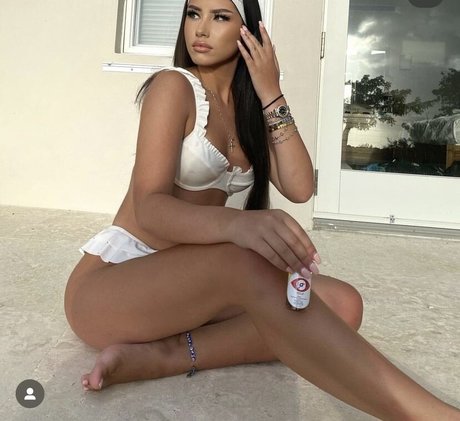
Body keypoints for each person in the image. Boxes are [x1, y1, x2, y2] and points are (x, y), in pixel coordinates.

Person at [64, 0, 460, 419]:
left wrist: (270, 92)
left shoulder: (248, 109)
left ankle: (167, 355)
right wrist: (239, 225)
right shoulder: (173, 86)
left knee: (343, 304)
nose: (200, 29)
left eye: (220, 17)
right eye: (193, 13)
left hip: (192, 289)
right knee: (243, 260)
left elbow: (300, 187)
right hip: (114, 287)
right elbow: (149, 208)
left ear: (248, 32)